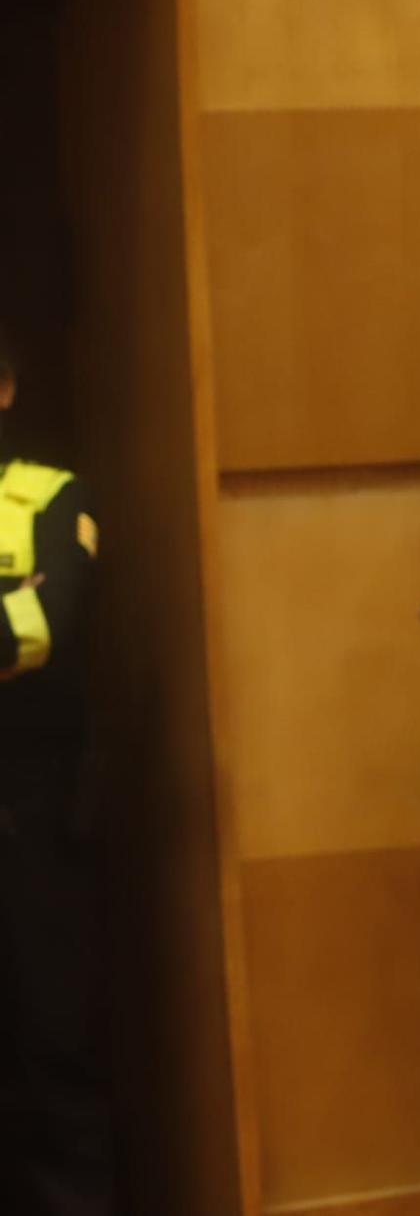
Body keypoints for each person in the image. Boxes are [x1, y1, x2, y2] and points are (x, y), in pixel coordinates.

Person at [0, 325, 109, 1214]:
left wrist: (17, 623)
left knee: (51, 1035)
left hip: (28, 804)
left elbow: (41, 628)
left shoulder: (48, 496)